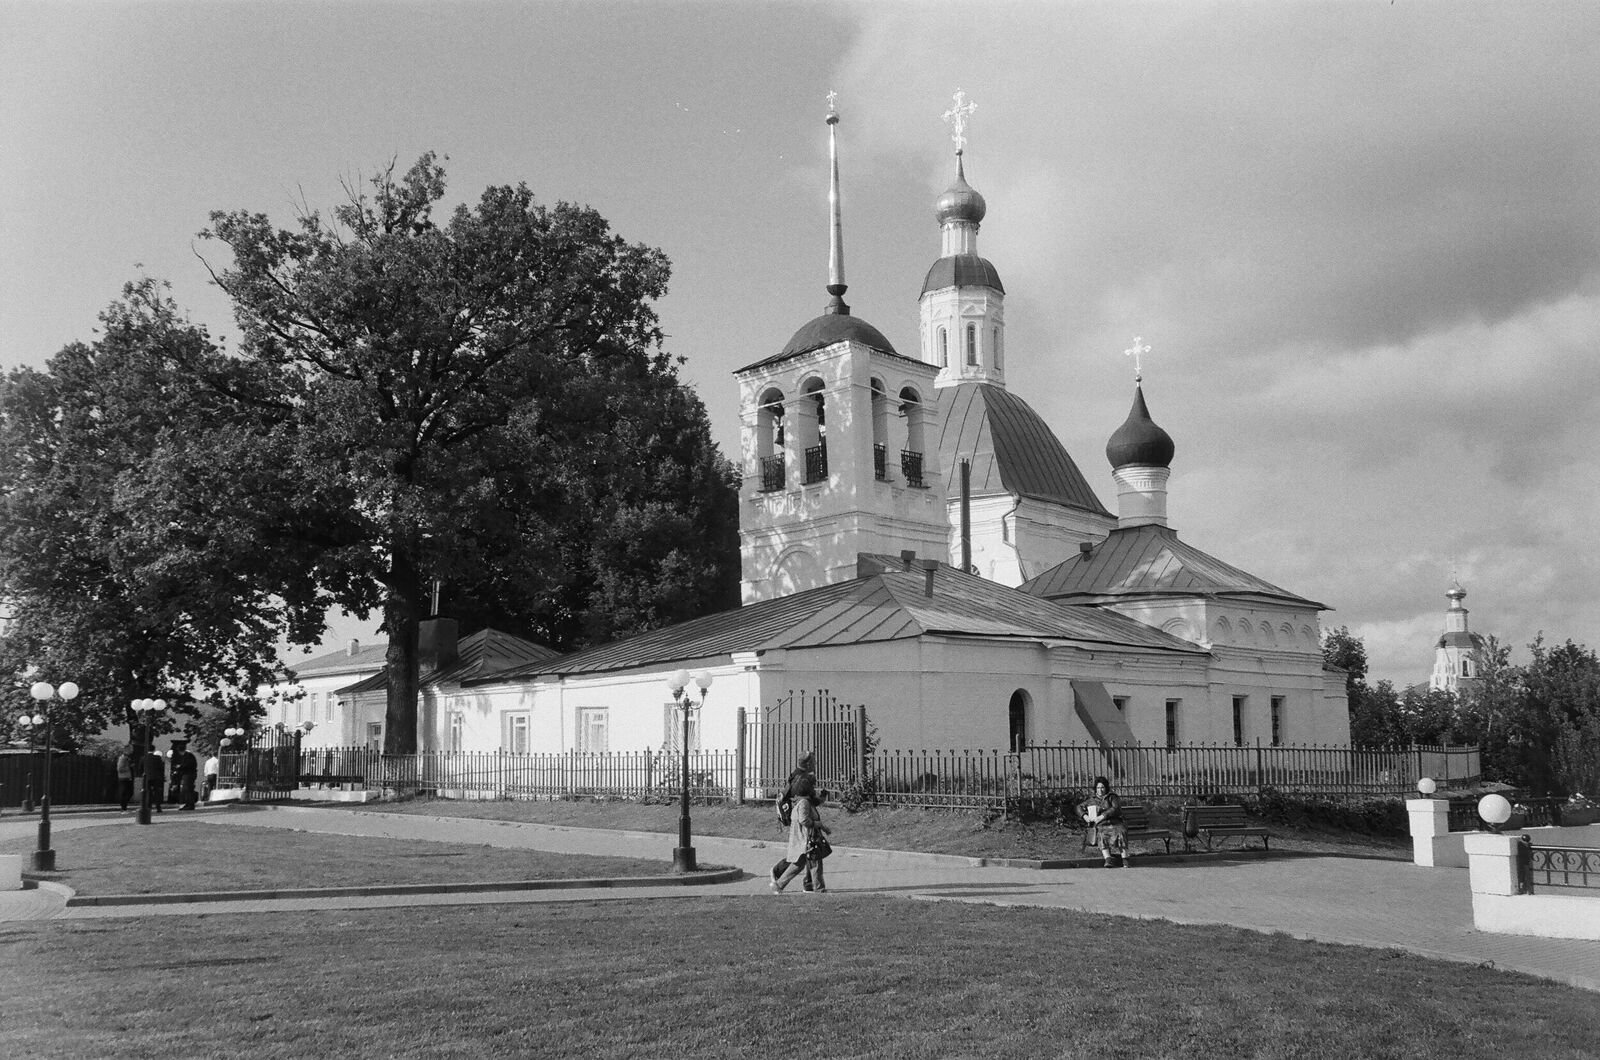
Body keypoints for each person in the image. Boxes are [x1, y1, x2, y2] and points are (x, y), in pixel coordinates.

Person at [771, 774, 831, 894]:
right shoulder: (804, 802)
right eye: (812, 787)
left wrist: (824, 793)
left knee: (799, 864)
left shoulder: (802, 801)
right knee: (815, 863)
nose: (814, 789)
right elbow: (804, 820)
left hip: (803, 838)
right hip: (807, 838)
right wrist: (818, 824)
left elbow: (817, 802)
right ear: (807, 789)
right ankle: (819, 888)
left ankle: (779, 885)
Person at [1082, 776, 1129, 867]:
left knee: (1121, 832)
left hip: (1115, 823)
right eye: (1098, 788)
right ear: (1095, 788)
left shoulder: (1112, 797)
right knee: (1101, 834)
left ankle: (1125, 859)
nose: (1100, 790)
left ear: (1106, 788)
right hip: (1102, 825)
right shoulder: (1092, 800)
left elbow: (1115, 808)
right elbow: (1079, 807)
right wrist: (1084, 816)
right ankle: (1108, 859)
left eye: (1102, 787)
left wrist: (1103, 816)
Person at [170, 739, 200, 811]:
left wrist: (180, 766)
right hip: (185, 775)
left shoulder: (188, 756)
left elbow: (189, 765)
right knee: (185, 790)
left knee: (187, 789)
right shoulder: (184, 756)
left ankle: (190, 804)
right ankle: (187, 803)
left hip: (189, 774)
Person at [142, 746, 166, 814]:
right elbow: (161, 767)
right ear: (154, 750)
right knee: (157, 792)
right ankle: (158, 807)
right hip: (156, 777)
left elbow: (140, 768)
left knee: (148, 792)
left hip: (147, 777)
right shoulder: (157, 758)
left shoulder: (143, 758)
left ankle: (148, 806)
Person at [115, 746, 135, 812]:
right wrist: (129, 767)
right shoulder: (122, 758)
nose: (132, 751)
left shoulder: (127, 758)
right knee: (125, 793)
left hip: (128, 777)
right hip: (124, 778)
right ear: (127, 750)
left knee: (129, 792)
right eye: (131, 749)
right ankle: (123, 808)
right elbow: (119, 769)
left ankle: (124, 807)